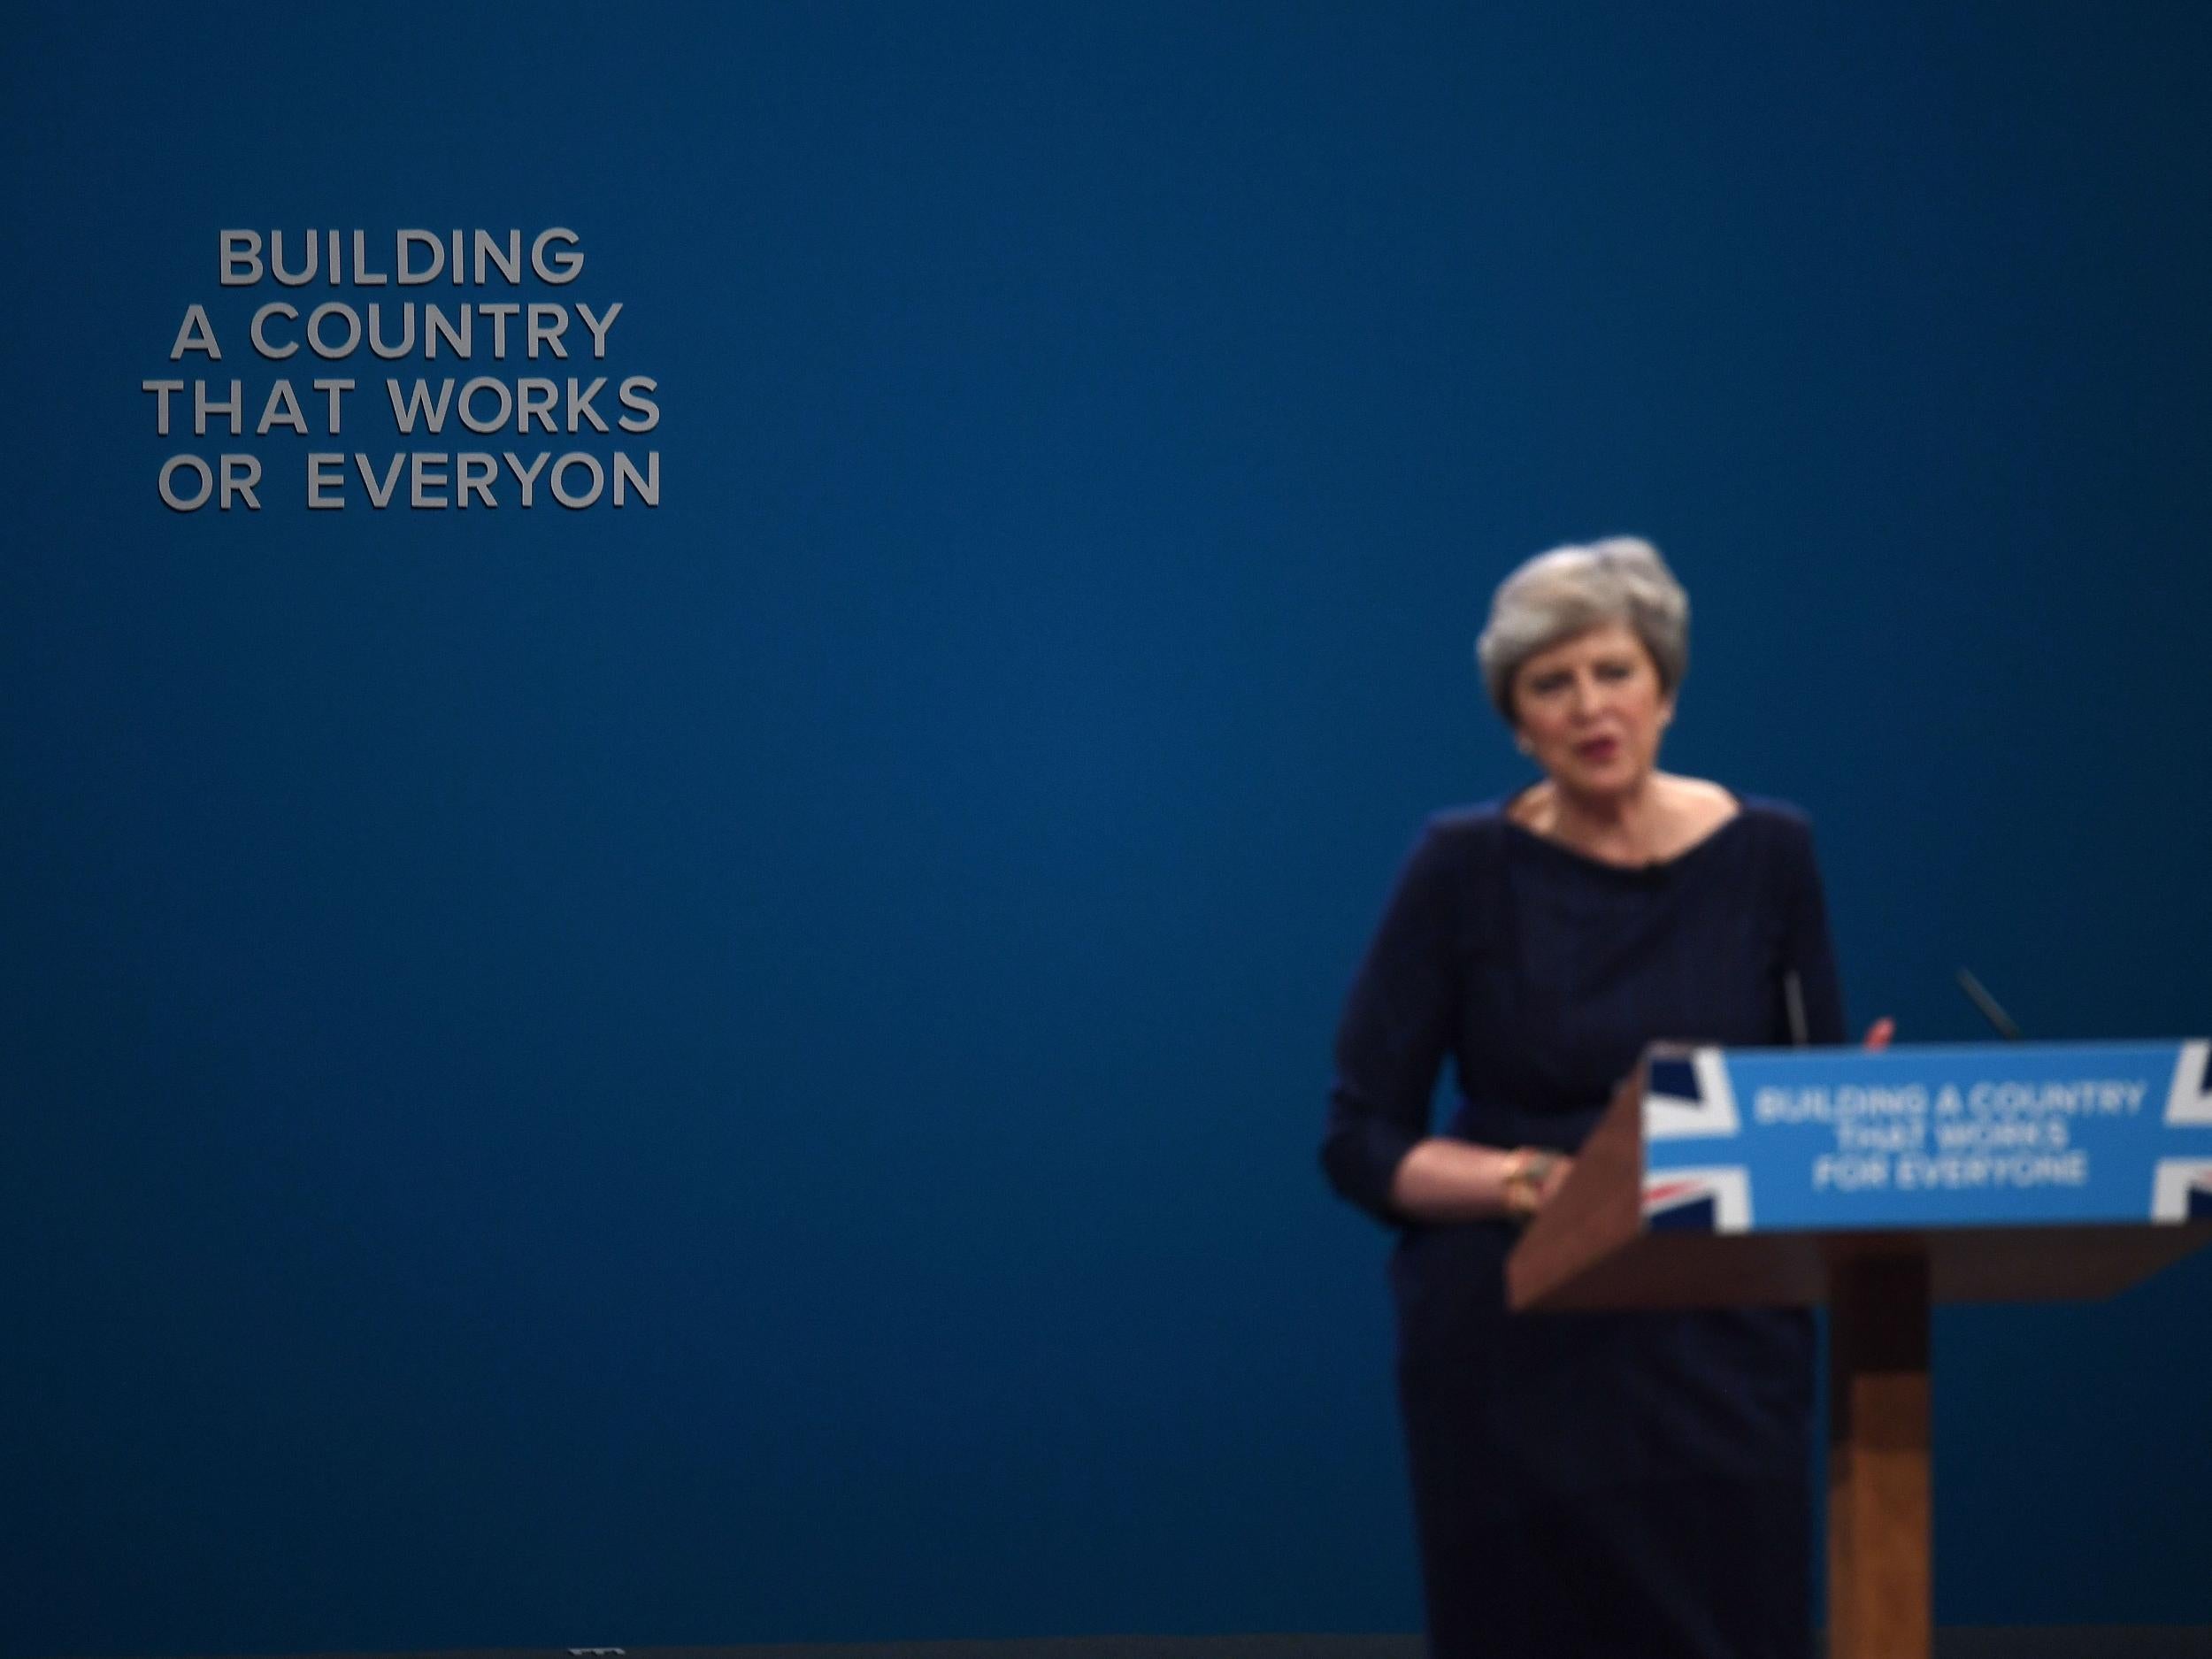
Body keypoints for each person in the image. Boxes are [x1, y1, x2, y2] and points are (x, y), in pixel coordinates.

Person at [1322, 537, 1871, 1659]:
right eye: (1550, 686)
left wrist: (1838, 1116)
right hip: (1517, 1336)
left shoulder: (1771, 854)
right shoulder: (1459, 868)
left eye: (1613, 673)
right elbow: (1360, 1138)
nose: (1589, 708)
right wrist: (1536, 1184)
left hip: (1720, 1337)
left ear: (1664, 689)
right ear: (1517, 722)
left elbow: (1803, 1096)